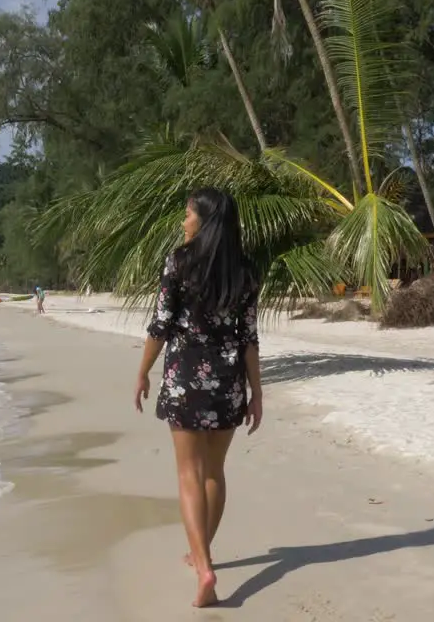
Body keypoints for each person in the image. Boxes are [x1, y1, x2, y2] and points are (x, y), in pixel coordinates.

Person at [134, 187, 262, 608]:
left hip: (185, 377)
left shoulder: (179, 261)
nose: (183, 221)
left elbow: (161, 325)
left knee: (188, 474)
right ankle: (200, 552)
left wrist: (142, 372)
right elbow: (248, 338)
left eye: (188, 214)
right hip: (227, 381)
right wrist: (256, 393)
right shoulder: (245, 270)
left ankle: (204, 567)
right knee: (215, 472)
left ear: (204, 221)